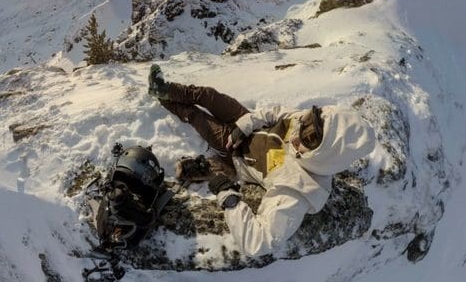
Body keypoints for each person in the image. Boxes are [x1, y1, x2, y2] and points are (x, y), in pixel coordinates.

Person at [148, 65, 376, 257]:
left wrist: (228, 196)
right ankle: (163, 89)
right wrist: (243, 126)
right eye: (307, 122)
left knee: (196, 116)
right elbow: (274, 113)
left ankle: (165, 102)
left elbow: (258, 243)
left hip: (236, 153)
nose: (299, 133)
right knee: (207, 95)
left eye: (309, 138)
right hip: (245, 125)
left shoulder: (300, 187)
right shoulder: (313, 123)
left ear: (327, 155)